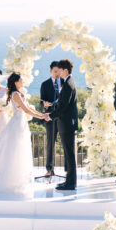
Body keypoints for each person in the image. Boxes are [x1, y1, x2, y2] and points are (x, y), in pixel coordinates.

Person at [52, 59, 79, 191]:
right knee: (68, 154)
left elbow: (63, 106)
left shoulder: (68, 84)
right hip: (66, 123)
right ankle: (69, 181)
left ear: (65, 70)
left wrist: (51, 115)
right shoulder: (69, 82)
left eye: (60, 70)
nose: (58, 72)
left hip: (67, 123)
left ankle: (71, 183)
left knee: (69, 154)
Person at [39, 62, 62, 179]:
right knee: (50, 143)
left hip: (62, 117)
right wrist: (44, 103)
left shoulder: (64, 82)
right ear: (51, 71)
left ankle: (68, 169)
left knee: (66, 142)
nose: (57, 73)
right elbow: (41, 100)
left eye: (59, 71)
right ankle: (49, 169)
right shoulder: (45, 84)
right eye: (55, 71)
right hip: (50, 117)